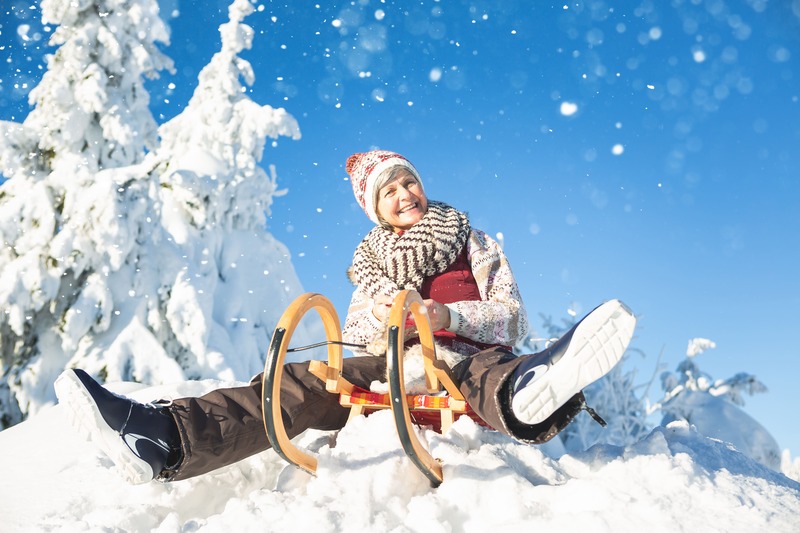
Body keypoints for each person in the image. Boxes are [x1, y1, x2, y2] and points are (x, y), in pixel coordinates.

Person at [55, 150, 637, 485]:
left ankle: (530, 391)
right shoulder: (372, 268)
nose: (404, 192)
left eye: (409, 180)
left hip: (463, 362)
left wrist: (446, 313)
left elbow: (511, 321)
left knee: (488, 368)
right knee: (303, 382)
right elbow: (354, 341)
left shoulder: (475, 242)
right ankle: (166, 437)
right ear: (375, 209)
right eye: (389, 191)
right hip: (390, 369)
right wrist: (387, 323)